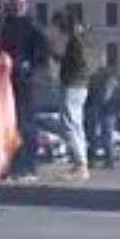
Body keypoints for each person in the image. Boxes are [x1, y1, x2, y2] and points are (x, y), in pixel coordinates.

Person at [0, 0, 51, 180]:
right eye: (14, 4)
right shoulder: (6, 26)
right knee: (11, 123)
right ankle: (14, 165)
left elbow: (44, 51)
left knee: (26, 124)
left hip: (26, 81)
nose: (17, 7)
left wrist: (31, 65)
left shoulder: (33, 26)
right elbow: (2, 50)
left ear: (26, 5)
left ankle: (29, 166)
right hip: (8, 80)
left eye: (20, 4)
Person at [51, 12, 89, 180]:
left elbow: (71, 62)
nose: (59, 30)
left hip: (73, 84)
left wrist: (53, 54)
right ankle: (81, 164)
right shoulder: (81, 39)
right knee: (77, 124)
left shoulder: (75, 41)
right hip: (81, 85)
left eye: (59, 26)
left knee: (68, 124)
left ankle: (79, 164)